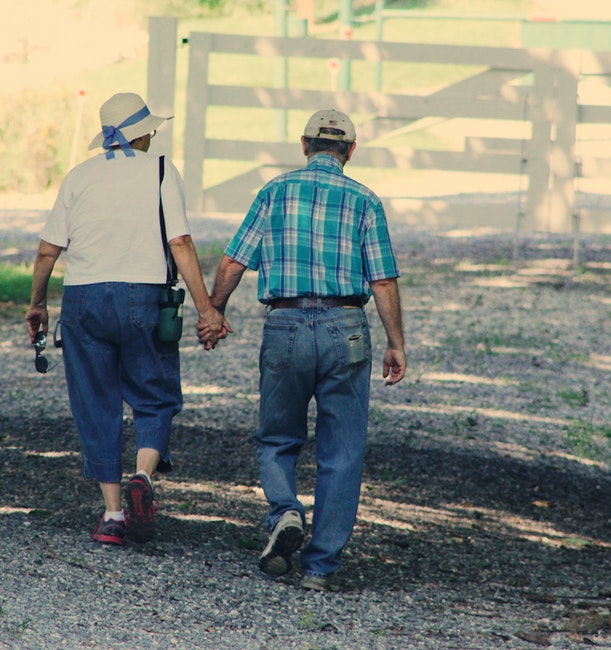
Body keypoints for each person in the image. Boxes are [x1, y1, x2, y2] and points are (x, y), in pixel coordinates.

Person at [202, 108, 406, 592]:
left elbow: (234, 261)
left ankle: (285, 510)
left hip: (286, 324)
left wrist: (214, 312)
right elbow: (382, 278)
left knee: (277, 436)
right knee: (343, 449)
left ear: (304, 145)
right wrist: (396, 343)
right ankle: (320, 568)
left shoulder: (274, 192)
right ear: (350, 151)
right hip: (346, 327)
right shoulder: (365, 201)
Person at [25, 92, 230, 546]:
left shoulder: (78, 176)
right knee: (154, 395)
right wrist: (207, 309)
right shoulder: (159, 170)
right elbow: (180, 242)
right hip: (143, 296)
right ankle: (143, 474)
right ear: (141, 134)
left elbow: (47, 250)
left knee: (95, 404)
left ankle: (114, 514)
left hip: (83, 300)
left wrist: (37, 303)